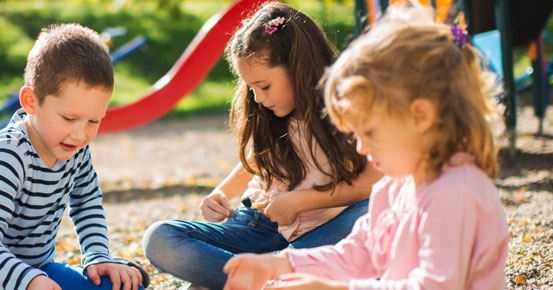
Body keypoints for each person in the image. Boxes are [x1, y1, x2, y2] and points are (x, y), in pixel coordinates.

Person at [221, 3, 510, 289]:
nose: (361, 148)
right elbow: (360, 253)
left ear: (420, 117)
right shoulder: (395, 187)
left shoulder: (454, 191)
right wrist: (282, 264)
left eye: (369, 132)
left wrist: (337, 289)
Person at [140, 3, 382, 289]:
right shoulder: (268, 112)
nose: (257, 98)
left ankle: (247, 275)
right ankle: (272, 279)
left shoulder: (349, 105)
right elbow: (257, 158)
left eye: (264, 86)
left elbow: (373, 183)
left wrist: (299, 202)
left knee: (373, 212)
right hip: (257, 227)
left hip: (324, 229)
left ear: (298, 67)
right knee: (160, 238)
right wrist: (221, 193)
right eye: (251, 87)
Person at [0, 24, 147, 290]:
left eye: (93, 121)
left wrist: (97, 256)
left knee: (123, 286)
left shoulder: (76, 150)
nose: (80, 134)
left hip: (35, 270)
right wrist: (28, 281)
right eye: (69, 118)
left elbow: (87, 203)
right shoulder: (9, 153)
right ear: (30, 102)